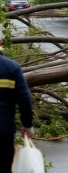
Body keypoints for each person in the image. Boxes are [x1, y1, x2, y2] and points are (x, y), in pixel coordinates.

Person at [0, 44, 33, 173]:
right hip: (3, 130)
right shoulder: (12, 68)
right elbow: (24, 99)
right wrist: (27, 125)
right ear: (1, 42)